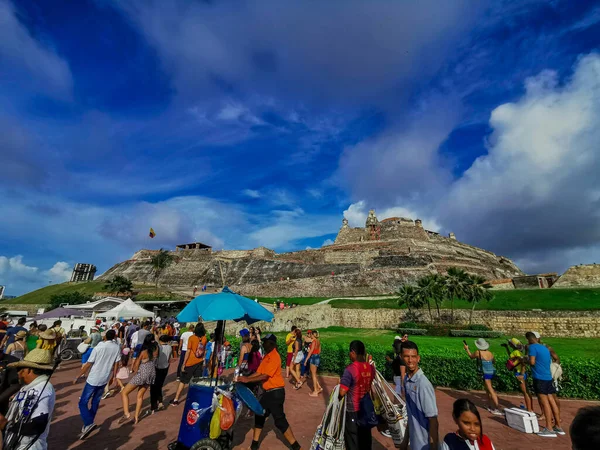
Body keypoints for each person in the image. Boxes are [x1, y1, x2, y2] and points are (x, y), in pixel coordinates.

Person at [236, 334, 302, 450]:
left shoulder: (275, 357)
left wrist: (248, 379)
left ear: (272, 344)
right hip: (268, 393)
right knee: (260, 414)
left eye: (267, 342)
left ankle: (297, 447)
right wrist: (246, 379)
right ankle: (254, 446)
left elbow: (264, 376)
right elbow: (259, 372)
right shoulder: (266, 357)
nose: (264, 344)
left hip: (276, 393)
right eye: (264, 342)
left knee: (279, 421)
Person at [1, 348, 56, 450]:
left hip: (28, 446)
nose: (17, 373)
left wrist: (6, 424)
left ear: (28, 370)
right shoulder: (33, 386)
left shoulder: (41, 390)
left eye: (19, 369)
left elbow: (37, 425)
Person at [74, 329, 121, 439]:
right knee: (95, 401)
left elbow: (88, 364)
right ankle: (88, 423)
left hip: (94, 378)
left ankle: (89, 422)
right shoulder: (116, 347)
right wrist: (114, 376)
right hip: (104, 378)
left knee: (83, 402)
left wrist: (78, 375)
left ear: (104, 337)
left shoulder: (98, 347)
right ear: (114, 337)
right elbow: (116, 363)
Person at [399, 341, 439, 450]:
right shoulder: (407, 380)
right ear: (401, 357)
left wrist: (435, 446)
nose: (410, 360)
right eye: (407, 356)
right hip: (414, 443)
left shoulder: (423, 384)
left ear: (418, 358)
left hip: (424, 445)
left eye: (413, 357)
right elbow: (411, 415)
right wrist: (405, 440)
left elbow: (433, 419)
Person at [339, 340, 376, 450]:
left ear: (353, 352)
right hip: (366, 409)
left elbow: (342, 392)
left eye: (350, 352)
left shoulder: (350, 369)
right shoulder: (371, 368)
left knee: (352, 441)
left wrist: (339, 385)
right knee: (365, 439)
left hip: (353, 409)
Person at [525, 332, 563, 437]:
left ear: (529, 339)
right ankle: (558, 426)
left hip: (539, 377)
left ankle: (549, 428)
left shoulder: (532, 347)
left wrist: (524, 360)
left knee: (544, 402)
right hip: (547, 377)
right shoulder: (545, 348)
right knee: (552, 401)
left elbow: (532, 362)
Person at [120, 334, 158, 424]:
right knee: (140, 396)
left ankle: (126, 413)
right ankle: (136, 417)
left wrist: (135, 372)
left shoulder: (143, 352)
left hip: (142, 374)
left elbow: (136, 365)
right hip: (151, 373)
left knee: (124, 392)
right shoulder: (156, 350)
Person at [171, 323, 207, 406]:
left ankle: (176, 399)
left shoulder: (192, 338)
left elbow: (188, 351)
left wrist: (184, 363)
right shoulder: (204, 338)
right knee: (197, 381)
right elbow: (204, 350)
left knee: (183, 381)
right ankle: (196, 398)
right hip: (199, 362)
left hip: (190, 362)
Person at [463, 339, 502, 415]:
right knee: (487, 389)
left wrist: (467, 349)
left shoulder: (478, 352)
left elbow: (471, 356)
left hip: (485, 372)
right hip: (491, 371)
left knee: (491, 390)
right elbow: (493, 361)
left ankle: (497, 408)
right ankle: (489, 405)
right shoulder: (490, 353)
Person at [500, 338, 533, 412]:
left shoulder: (516, 353)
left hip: (519, 373)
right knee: (526, 391)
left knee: (525, 392)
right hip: (521, 372)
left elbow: (523, 362)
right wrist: (506, 348)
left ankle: (529, 409)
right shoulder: (517, 352)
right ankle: (530, 408)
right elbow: (511, 357)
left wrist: (521, 373)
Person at [151, 335, 172, 414]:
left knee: (156, 386)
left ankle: (157, 403)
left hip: (158, 367)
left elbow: (155, 357)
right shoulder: (169, 347)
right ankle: (160, 402)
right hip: (165, 367)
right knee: (159, 385)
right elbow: (169, 358)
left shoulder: (159, 347)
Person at [304, 329, 322, 397]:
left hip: (313, 357)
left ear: (312, 335)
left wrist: (306, 359)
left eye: (311, 334)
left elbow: (311, 351)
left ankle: (315, 391)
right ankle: (317, 388)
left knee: (313, 375)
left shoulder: (314, 341)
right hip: (317, 357)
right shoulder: (318, 341)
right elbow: (320, 350)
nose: (310, 335)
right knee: (314, 374)